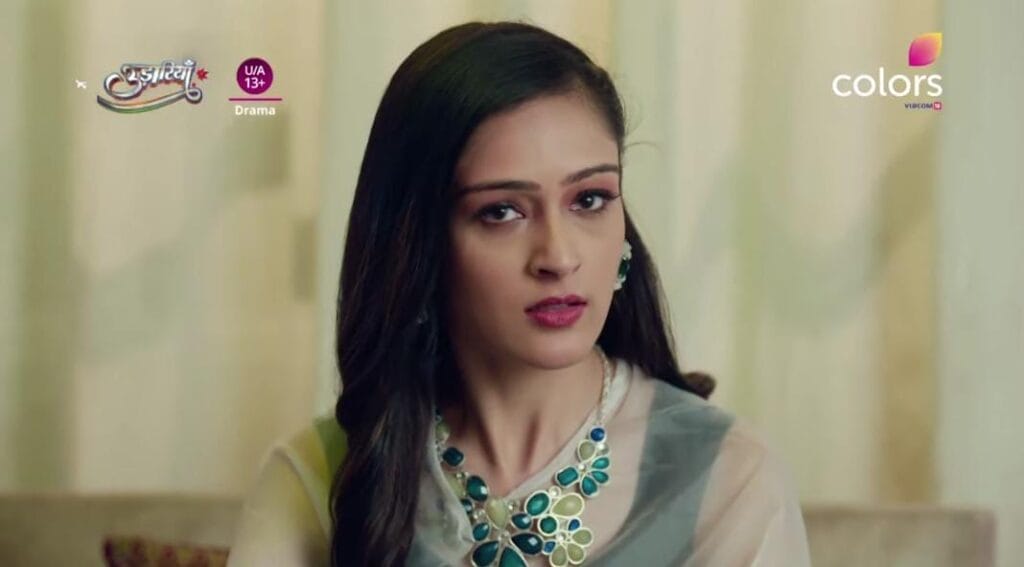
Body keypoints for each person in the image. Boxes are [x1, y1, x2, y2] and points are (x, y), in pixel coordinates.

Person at [227, 20, 812, 567]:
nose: (558, 257)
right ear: (418, 243)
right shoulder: (319, 476)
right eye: (501, 211)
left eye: (589, 200)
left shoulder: (727, 476)